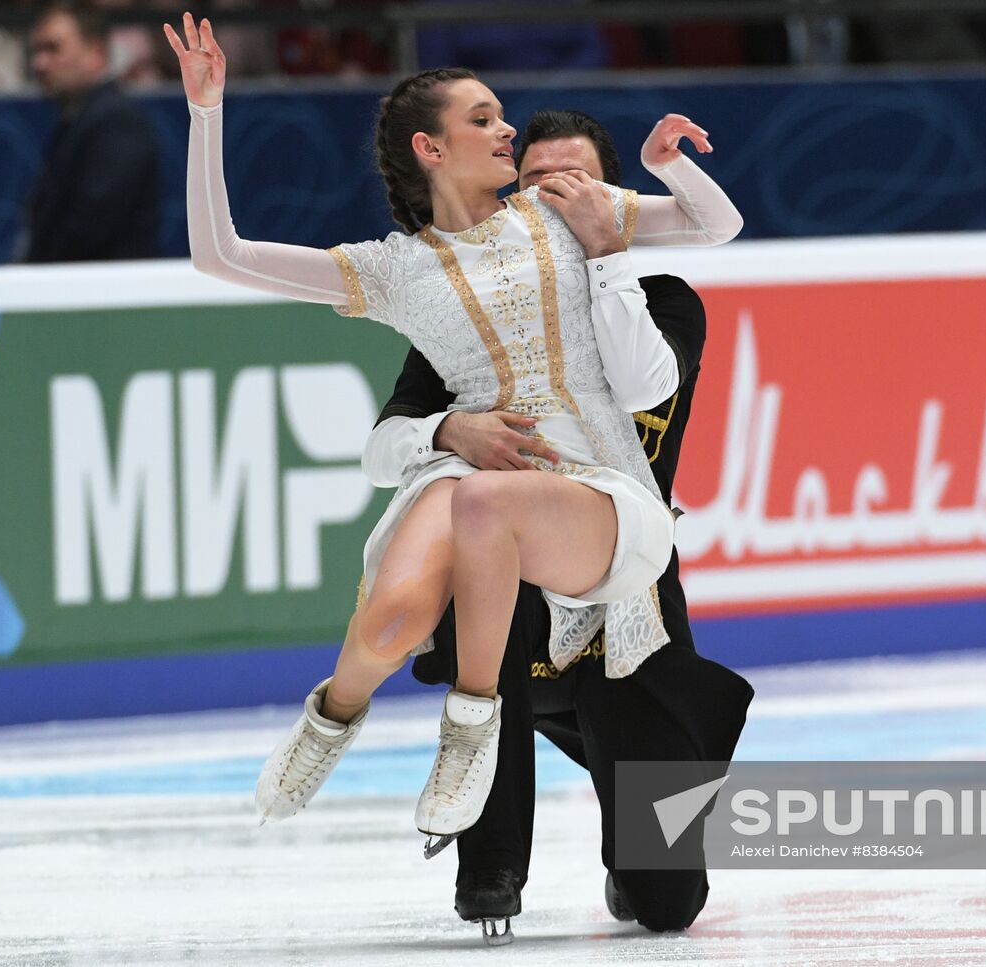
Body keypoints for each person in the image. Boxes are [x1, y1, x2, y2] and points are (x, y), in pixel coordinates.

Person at [165, 13, 742, 851]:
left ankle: (471, 726)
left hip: (599, 488)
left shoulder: (561, 211)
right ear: (431, 150)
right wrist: (206, 112)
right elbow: (220, 254)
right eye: (483, 119)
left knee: (482, 502)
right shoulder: (393, 270)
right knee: (396, 612)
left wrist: (662, 169)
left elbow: (714, 225)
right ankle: (331, 715)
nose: (509, 127)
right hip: (472, 482)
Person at [364, 109, 753, 939]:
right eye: (538, 183)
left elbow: (646, 388)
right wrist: (444, 429)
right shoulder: (464, 314)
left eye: (579, 183)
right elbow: (383, 442)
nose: (557, 199)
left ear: (614, 197)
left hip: (626, 586)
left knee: (668, 903)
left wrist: (611, 252)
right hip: (516, 583)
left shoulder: (663, 303)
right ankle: (492, 871)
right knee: (487, 600)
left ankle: (641, 813)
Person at [25, 1, 161, 262]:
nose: (40, 63)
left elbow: (90, 225)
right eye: (36, 50)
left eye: (53, 48)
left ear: (95, 52)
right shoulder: (77, 120)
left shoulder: (118, 123)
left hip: (105, 293)